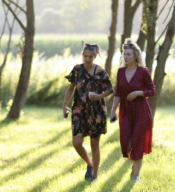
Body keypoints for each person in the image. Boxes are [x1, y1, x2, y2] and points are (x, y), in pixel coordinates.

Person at [62, 43, 113, 182]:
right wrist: (65, 103)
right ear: (82, 54)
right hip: (79, 110)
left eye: (90, 56)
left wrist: (99, 96)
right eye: (85, 56)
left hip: (96, 112)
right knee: (76, 143)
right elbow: (71, 88)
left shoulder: (99, 71)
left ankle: (95, 176)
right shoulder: (77, 70)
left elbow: (110, 89)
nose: (87, 59)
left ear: (95, 57)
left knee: (94, 144)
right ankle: (90, 164)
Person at [109, 40, 154, 183]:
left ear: (136, 56)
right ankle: (134, 164)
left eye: (128, 54)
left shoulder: (143, 72)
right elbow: (118, 93)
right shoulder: (121, 72)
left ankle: (135, 175)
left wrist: (138, 93)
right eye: (124, 54)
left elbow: (152, 90)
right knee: (126, 143)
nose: (125, 57)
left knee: (137, 142)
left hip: (141, 110)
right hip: (126, 111)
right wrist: (113, 111)